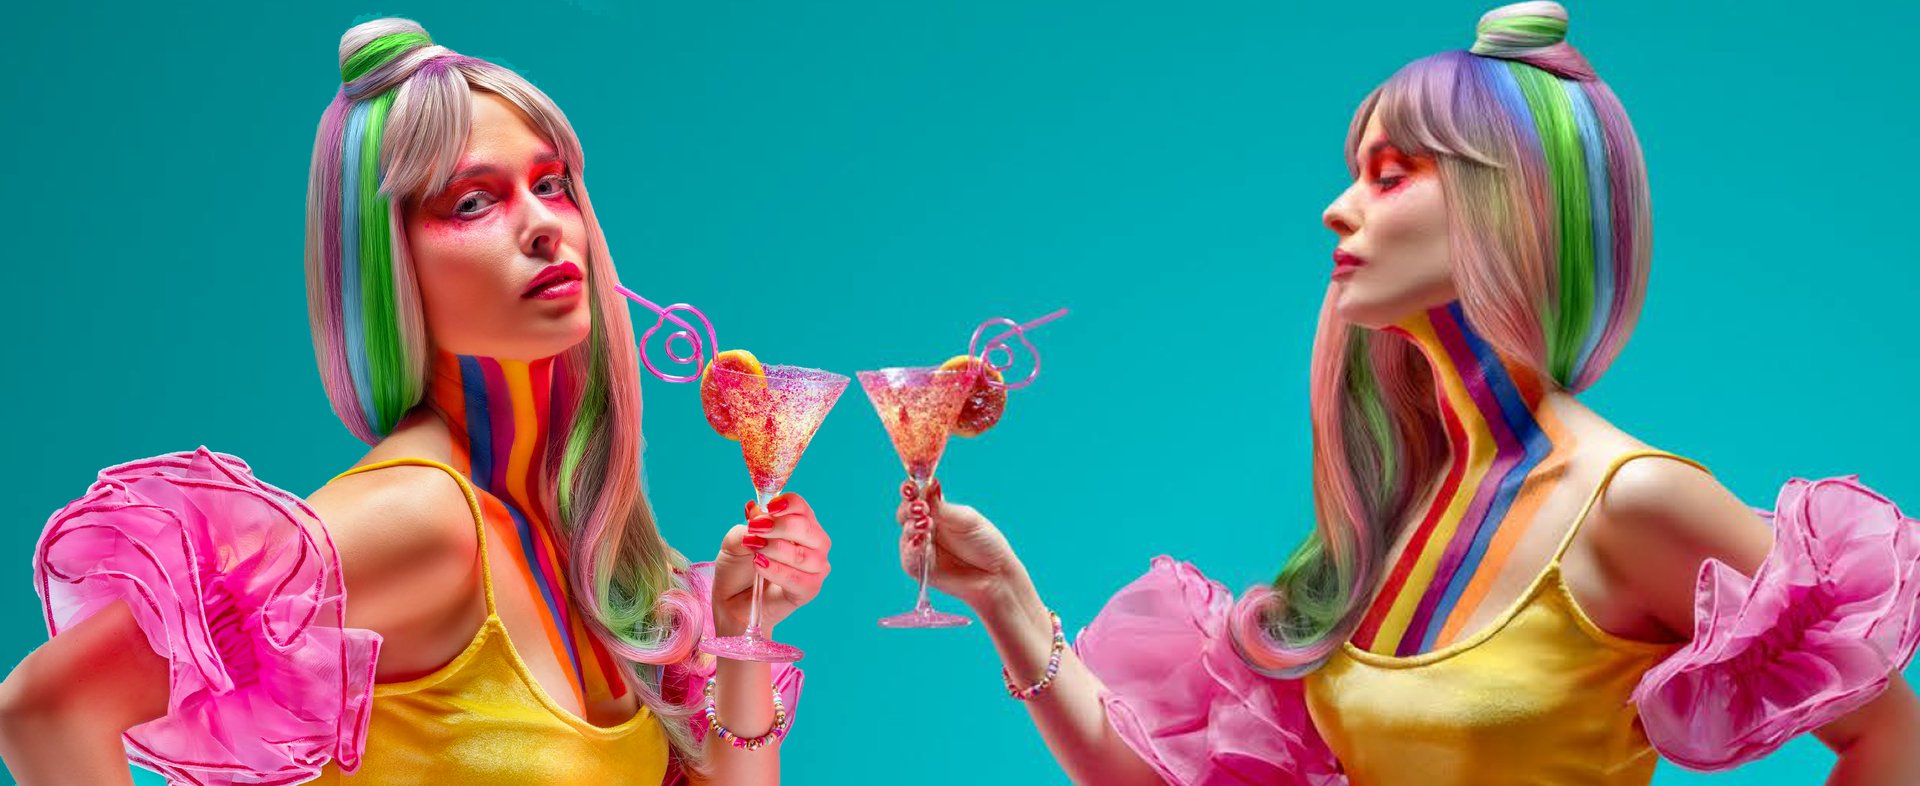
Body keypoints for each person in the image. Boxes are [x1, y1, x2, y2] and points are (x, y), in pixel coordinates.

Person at [894, 3, 1920, 783]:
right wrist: (1002, 595)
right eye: (1355, 172)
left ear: (1506, 205)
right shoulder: (1405, 514)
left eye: (1390, 175)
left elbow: (1888, 733)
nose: (1337, 210)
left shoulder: (1632, 503)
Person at [0, 19, 830, 786]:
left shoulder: (581, 543)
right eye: (473, 201)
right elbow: (46, 707)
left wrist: (738, 631)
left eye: (553, 184)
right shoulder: (420, 519)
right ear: (387, 265)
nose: (543, 225)